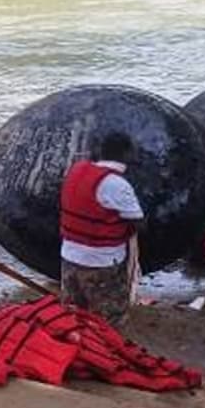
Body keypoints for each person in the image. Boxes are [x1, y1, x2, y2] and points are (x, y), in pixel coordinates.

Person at [58, 132, 145, 327]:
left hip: (70, 255)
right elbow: (139, 222)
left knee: (73, 314)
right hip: (101, 261)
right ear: (127, 154)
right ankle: (105, 352)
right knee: (108, 319)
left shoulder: (76, 170)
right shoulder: (117, 184)